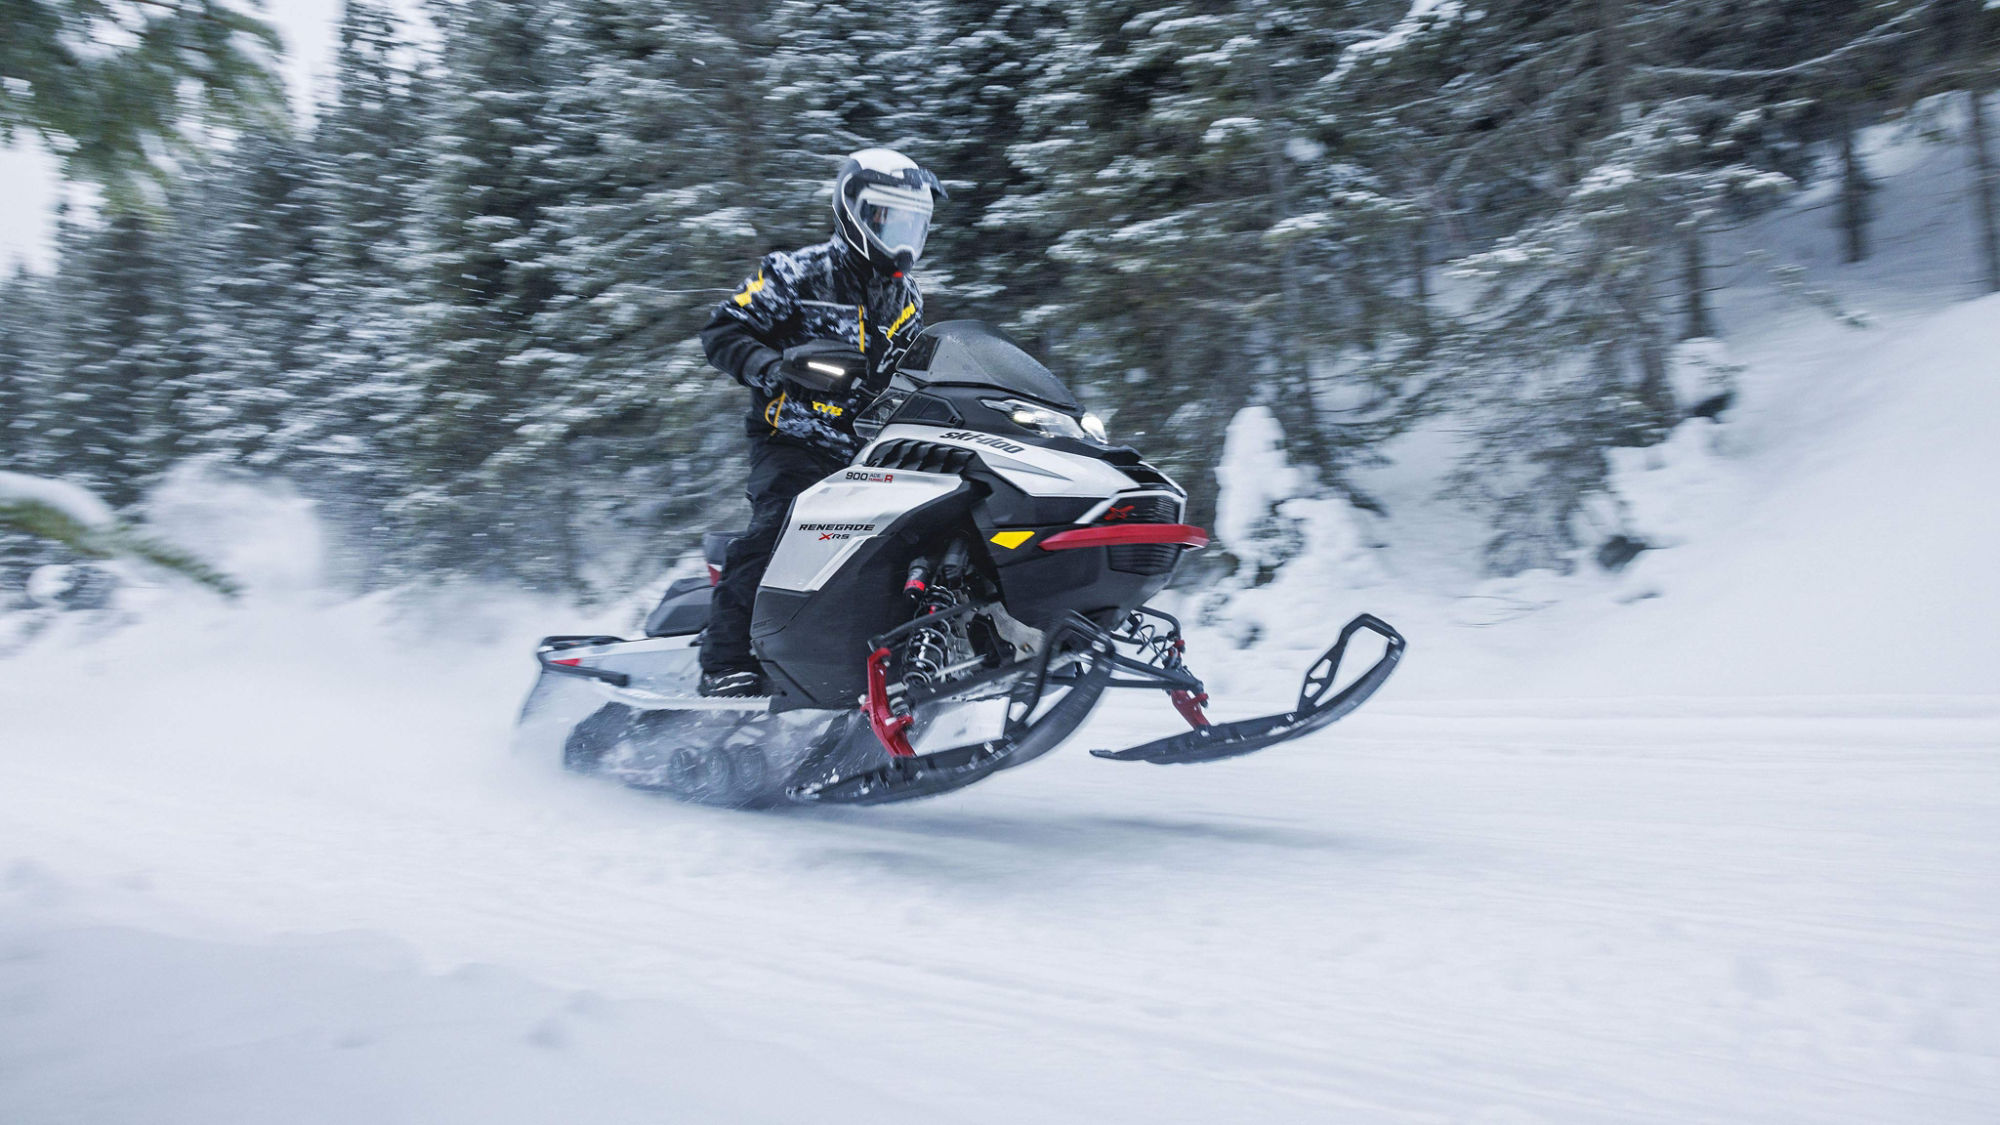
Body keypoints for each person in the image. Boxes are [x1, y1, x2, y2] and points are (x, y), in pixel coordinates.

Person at [695, 148, 944, 697]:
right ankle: (725, 663)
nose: (903, 240)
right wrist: (769, 367)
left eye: (914, 226)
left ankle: (888, 657)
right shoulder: (797, 272)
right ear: (854, 215)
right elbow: (722, 332)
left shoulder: (906, 299)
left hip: (867, 450)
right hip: (792, 439)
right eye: (890, 222)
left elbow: (912, 373)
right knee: (778, 527)